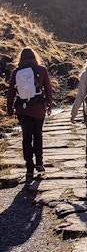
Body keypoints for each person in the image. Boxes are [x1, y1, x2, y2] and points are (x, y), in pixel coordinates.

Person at [7, 47, 53, 183]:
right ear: (34, 57)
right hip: (38, 108)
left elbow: (10, 93)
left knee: (26, 136)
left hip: (22, 109)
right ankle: (39, 162)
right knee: (37, 134)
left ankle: (29, 167)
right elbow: (48, 89)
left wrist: (9, 109)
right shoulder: (41, 70)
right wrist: (49, 104)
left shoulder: (16, 72)